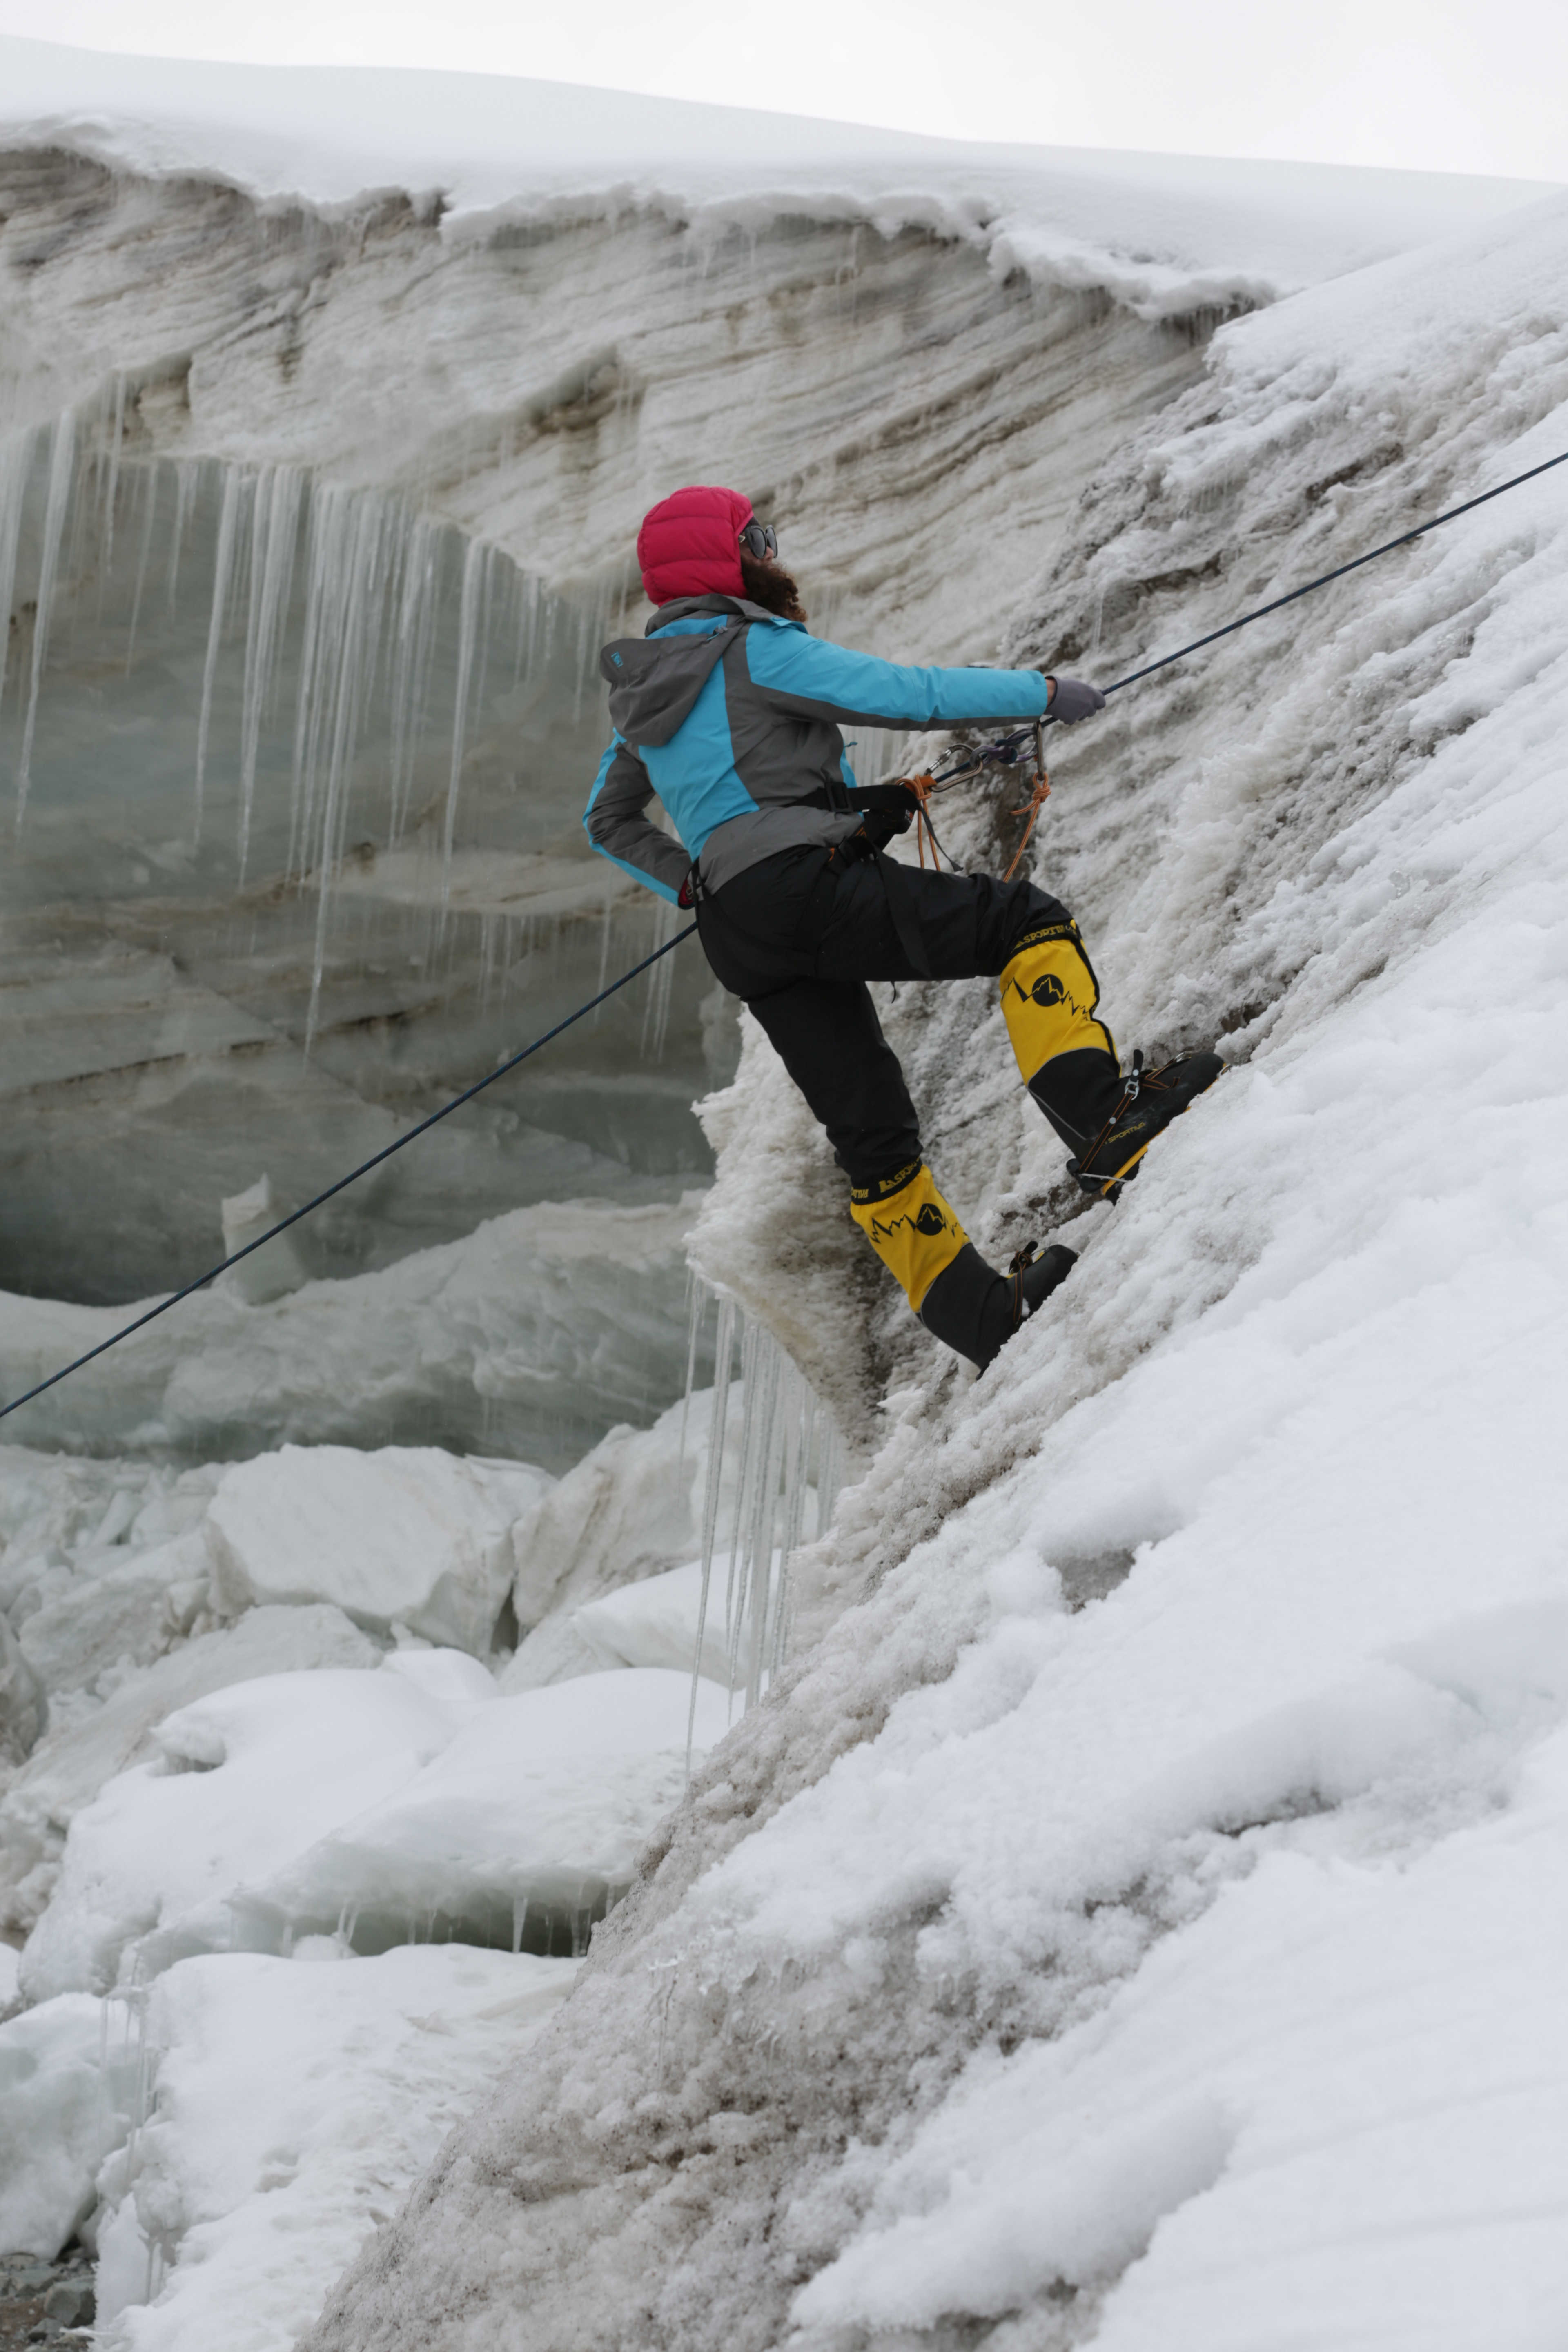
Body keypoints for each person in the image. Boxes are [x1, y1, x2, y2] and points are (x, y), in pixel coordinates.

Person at [586, 484, 1220, 1372]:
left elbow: (612, 821)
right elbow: (906, 695)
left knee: (869, 1131)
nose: (772, 553)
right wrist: (1042, 693)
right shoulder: (753, 651)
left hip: (739, 931)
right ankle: (1104, 1118)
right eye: (756, 539)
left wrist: (698, 880)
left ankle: (980, 1316)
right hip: (808, 889)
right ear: (727, 560)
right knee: (1024, 924)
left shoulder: (643, 698)